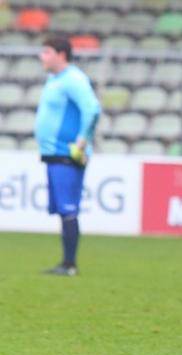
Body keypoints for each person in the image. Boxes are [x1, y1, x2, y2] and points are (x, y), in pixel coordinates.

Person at [35, 34, 100, 276]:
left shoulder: (73, 79)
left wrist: (82, 140)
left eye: (46, 52)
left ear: (61, 55)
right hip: (54, 154)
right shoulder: (54, 79)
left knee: (68, 208)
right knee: (63, 210)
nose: (42, 56)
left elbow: (92, 109)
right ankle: (66, 263)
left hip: (67, 154)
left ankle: (70, 265)